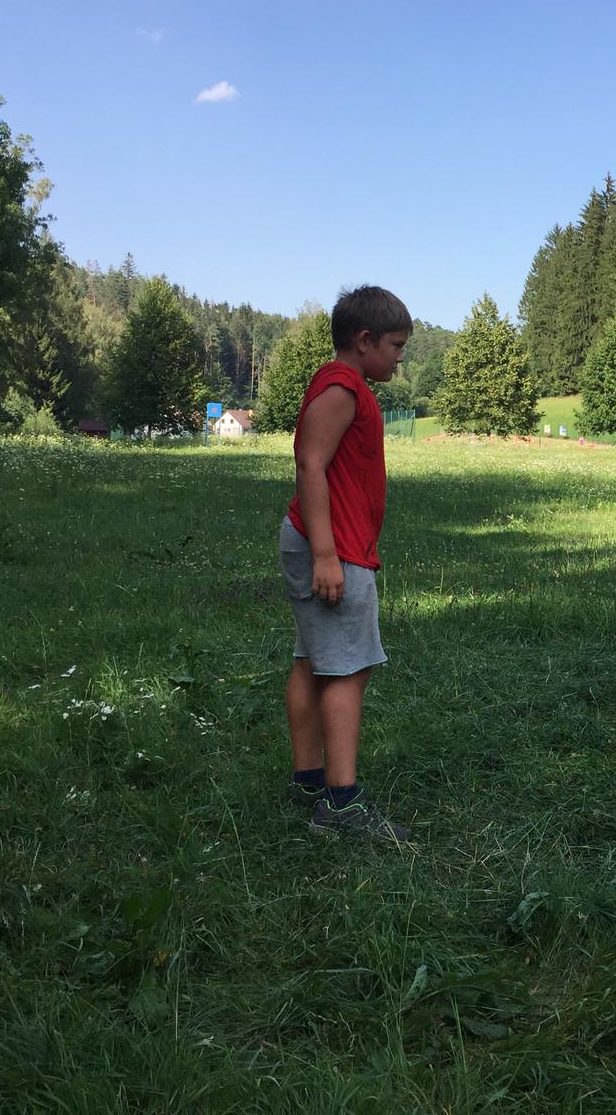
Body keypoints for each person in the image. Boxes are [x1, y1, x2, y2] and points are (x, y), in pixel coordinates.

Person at [280, 285, 412, 841]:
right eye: (396, 346)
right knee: (346, 669)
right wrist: (326, 554)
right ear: (364, 340)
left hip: (331, 543)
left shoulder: (346, 385)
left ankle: (309, 781)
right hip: (335, 547)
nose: (400, 358)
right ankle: (340, 803)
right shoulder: (342, 387)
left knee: (313, 661)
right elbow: (310, 463)